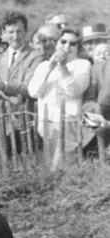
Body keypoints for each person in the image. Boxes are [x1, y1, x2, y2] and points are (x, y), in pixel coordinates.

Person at [0, 11, 42, 151]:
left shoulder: (36, 57)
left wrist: (5, 86)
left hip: (24, 122)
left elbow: (29, 87)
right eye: (11, 32)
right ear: (4, 33)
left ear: (26, 31)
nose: (15, 36)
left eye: (19, 31)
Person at [28, 28, 91, 166]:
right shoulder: (43, 65)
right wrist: (50, 66)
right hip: (45, 121)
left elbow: (74, 91)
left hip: (67, 122)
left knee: (65, 165)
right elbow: (33, 92)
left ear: (78, 47)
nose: (67, 47)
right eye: (63, 42)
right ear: (57, 43)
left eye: (72, 44)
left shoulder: (82, 65)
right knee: (47, 165)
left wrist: (63, 68)